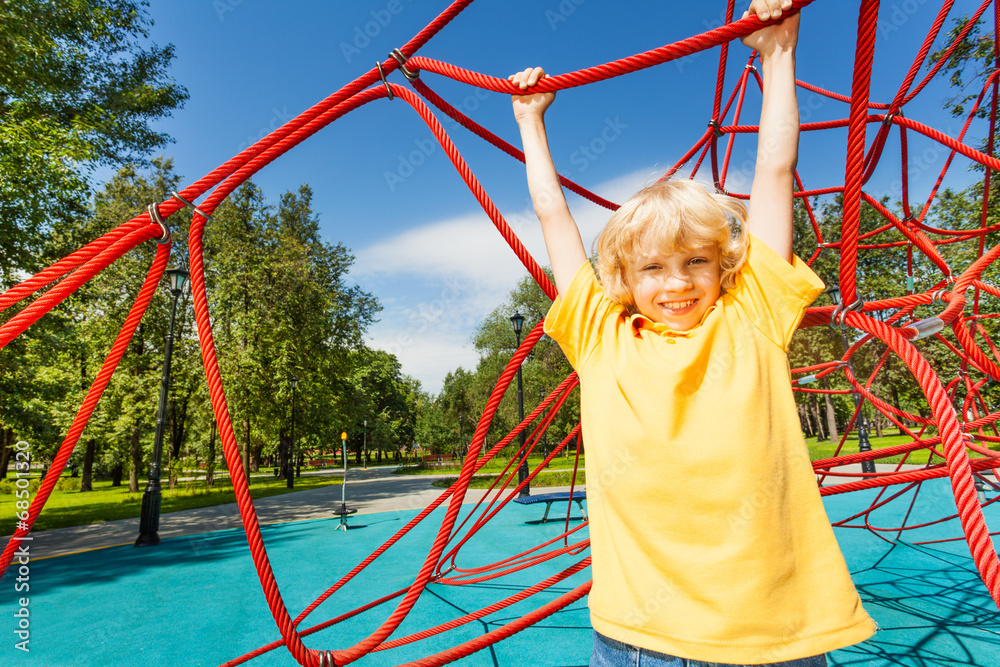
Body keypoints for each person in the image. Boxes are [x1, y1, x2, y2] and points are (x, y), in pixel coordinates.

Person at [509, 1, 876, 665]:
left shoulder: (753, 312)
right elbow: (552, 215)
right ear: (622, 275)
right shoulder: (600, 335)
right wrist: (531, 124)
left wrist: (778, 53)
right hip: (637, 637)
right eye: (652, 267)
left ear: (723, 264)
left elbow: (774, 173)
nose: (675, 281)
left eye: (695, 261)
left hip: (773, 636)